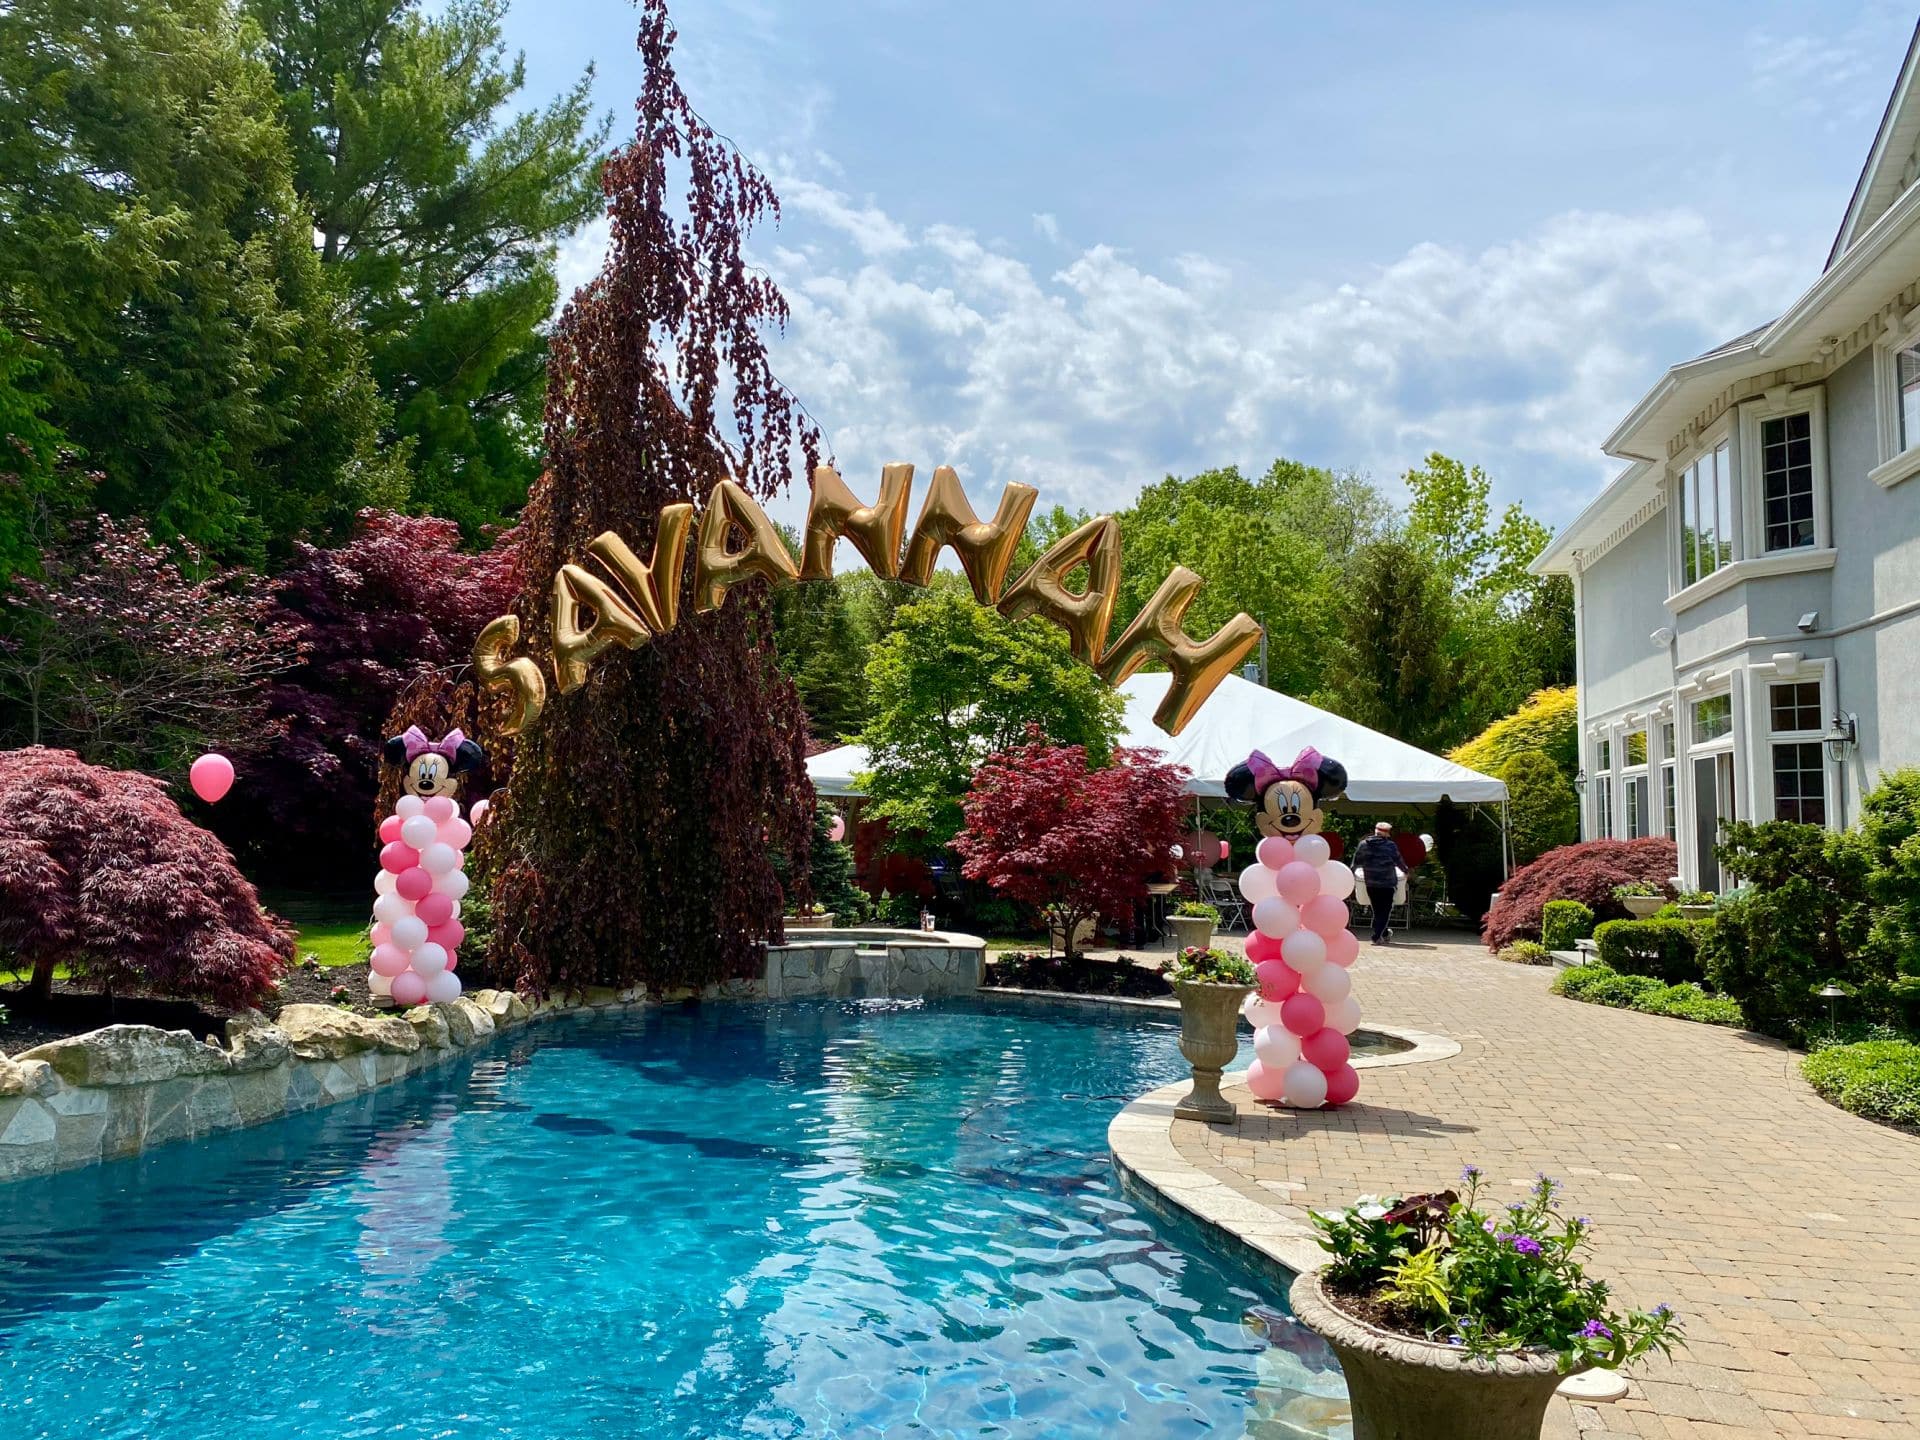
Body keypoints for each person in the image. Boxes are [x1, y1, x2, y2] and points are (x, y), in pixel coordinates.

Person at [1351, 821, 1405, 945]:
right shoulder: (1390, 845)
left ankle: (1384, 933)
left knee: (1377, 910)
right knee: (1385, 911)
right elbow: (1398, 860)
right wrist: (1406, 871)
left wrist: (1352, 874)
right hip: (1387, 883)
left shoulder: (1363, 844)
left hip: (1370, 882)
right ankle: (1376, 936)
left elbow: (1356, 862)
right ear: (1386, 833)